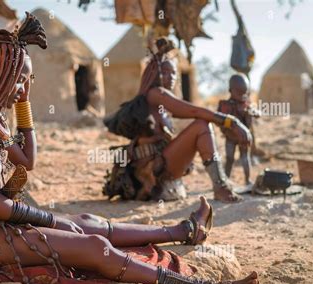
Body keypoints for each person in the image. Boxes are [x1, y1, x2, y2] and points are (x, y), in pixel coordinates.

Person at [0, 13, 259, 284]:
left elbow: (28, 160)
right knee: (93, 247)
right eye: (21, 80)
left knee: (87, 222)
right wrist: (50, 220)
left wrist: (23, 107)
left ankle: (181, 232)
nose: (25, 87)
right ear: (0, 74)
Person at [104, 38, 253, 203]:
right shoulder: (156, 93)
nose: (172, 77)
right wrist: (231, 122)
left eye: (174, 72)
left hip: (160, 164)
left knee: (201, 123)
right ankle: (221, 187)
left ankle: (222, 184)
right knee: (201, 126)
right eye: (167, 72)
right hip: (152, 169)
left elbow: (193, 112)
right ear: (155, 73)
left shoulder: (160, 102)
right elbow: (194, 110)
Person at [218, 74, 260, 185]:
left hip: (243, 138)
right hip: (230, 137)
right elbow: (219, 120)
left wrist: (252, 113)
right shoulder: (225, 105)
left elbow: (257, 113)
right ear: (230, 90)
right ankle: (226, 180)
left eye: (244, 93)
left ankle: (247, 180)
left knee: (245, 159)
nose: (242, 96)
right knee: (230, 158)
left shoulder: (247, 104)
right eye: (239, 92)